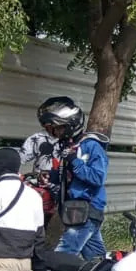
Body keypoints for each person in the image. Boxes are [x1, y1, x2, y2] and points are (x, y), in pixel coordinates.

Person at [39, 96, 110, 259]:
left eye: (59, 128)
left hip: (87, 208)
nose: (55, 133)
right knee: (96, 259)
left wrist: (74, 161)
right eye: (53, 129)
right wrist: (51, 176)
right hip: (75, 209)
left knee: (62, 256)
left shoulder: (92, 146)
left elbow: (98, 177)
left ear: (72, 124)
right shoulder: (70, 147)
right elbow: (69, 176)